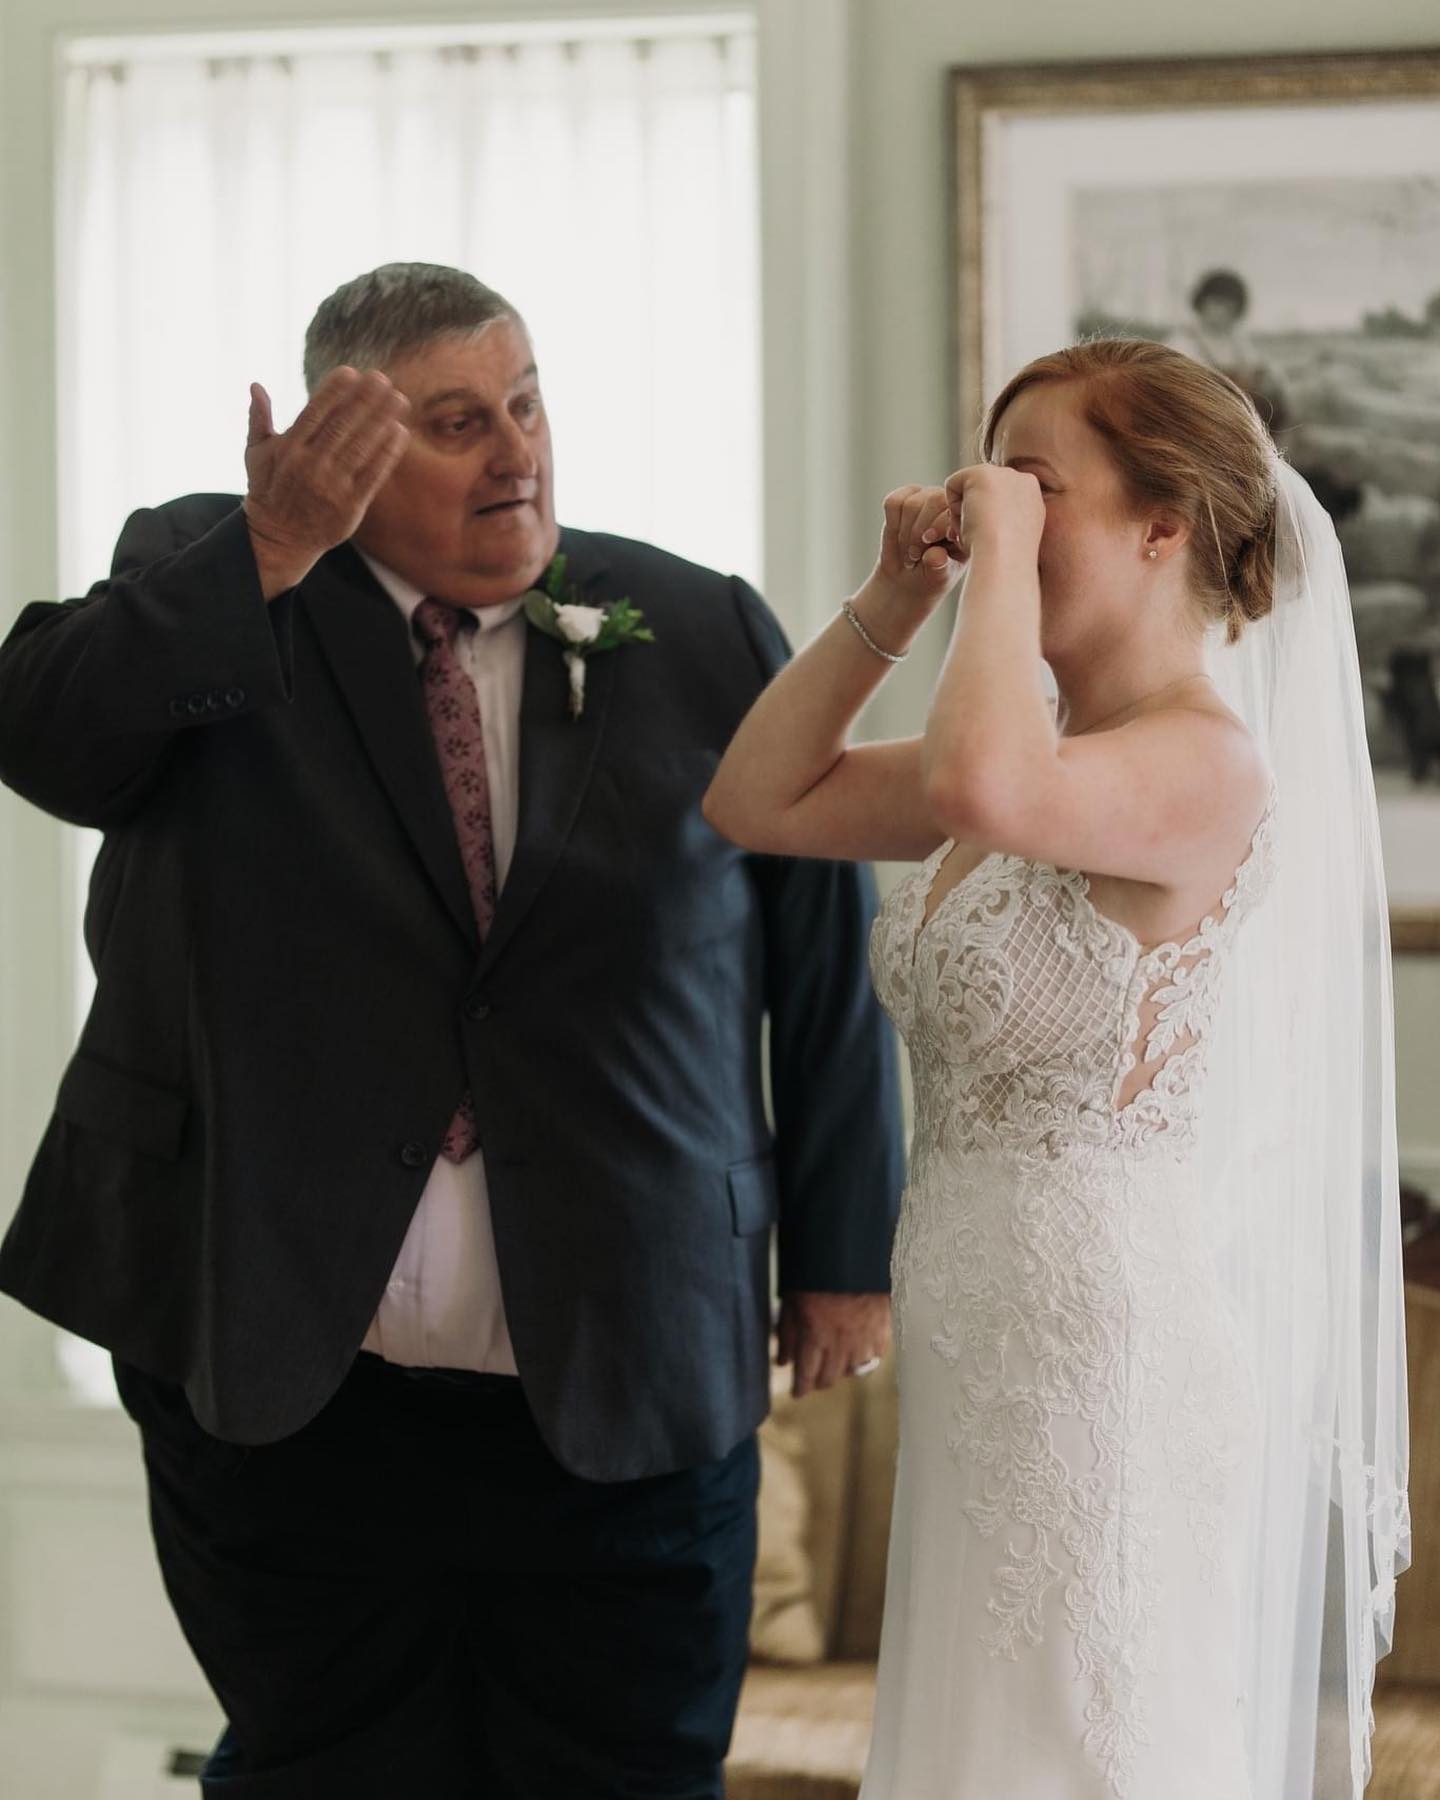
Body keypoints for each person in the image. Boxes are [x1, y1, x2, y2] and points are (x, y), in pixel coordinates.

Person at [0, 262, 905, 1799]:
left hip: (629, 1367)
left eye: (527, 402)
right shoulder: (221, 581)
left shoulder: (704, 628)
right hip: (292, 1385)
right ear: (341, 445)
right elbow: (44, 740)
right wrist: (270, 544)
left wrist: (843, 1254)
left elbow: (821, 956)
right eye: (456, 422)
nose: (517, 451)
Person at [704, 339, 1408, 1798]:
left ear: (1162, 527)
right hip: (987, 1354)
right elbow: (758, 798)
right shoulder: (1036, 763)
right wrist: (895, 599)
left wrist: (999, 568)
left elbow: (984, 784)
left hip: (1104, 1362)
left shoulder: (1204, 764)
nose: (991, 518)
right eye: (990, 486)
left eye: (1032, 488)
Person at [1169, 267, 1292, 433]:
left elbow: (1257, 367)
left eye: (1230, 307)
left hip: (1240, 414)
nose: (1222, 312)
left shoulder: (1237, 340)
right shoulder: (1183, 341)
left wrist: (1268, 376)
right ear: (1201, 303)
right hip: (1202, 417)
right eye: (1217, 304)